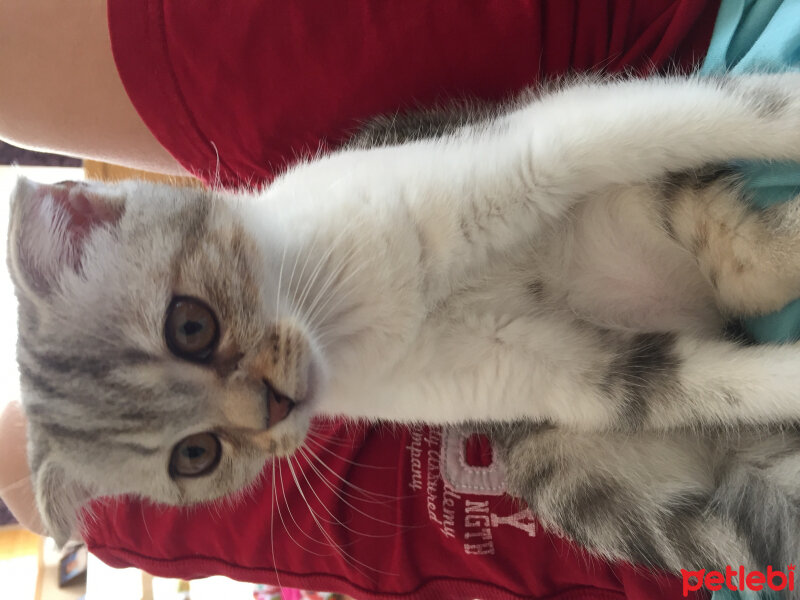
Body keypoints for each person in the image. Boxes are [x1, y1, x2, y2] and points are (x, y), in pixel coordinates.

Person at [1, 1, 744, 599]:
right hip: (711, 534)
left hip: (680, 89)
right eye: (198, 451)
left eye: (192, 328)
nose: (258, 411)